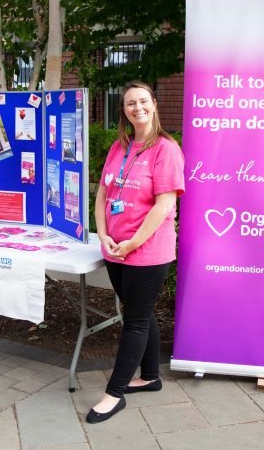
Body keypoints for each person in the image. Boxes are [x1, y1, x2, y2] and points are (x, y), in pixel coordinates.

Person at [87, 81, 184, 424]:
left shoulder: (166, 149)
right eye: (130, 103)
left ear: (154, 105)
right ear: (124, 109)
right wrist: (102, 233)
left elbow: (164, 204)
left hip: (146, 252)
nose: (137, 107)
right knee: (139, 311)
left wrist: (132, 243)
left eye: (143, 101)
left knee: (135, 320)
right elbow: (103, 193)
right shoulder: (119, 146)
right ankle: (150, 376)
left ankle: (114, 394)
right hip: (115, 248)